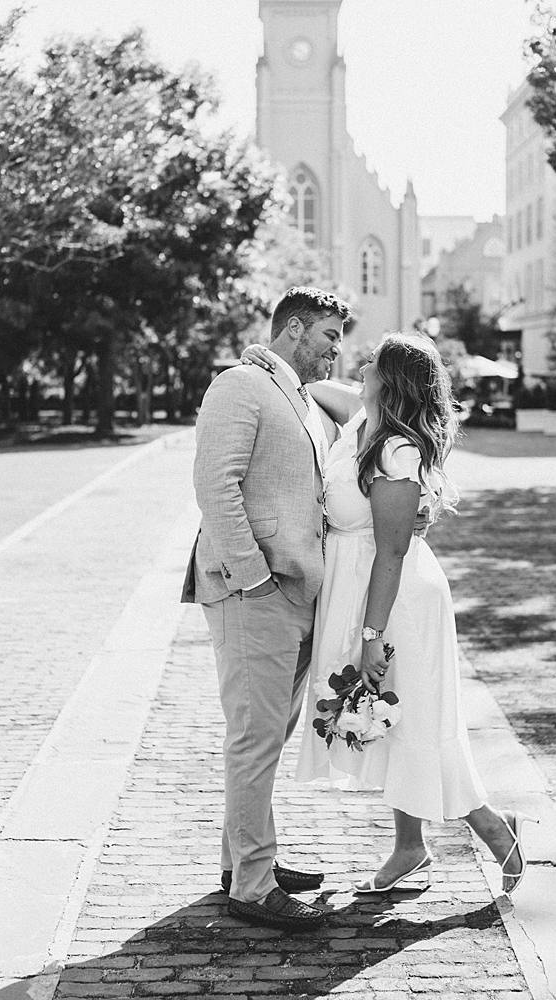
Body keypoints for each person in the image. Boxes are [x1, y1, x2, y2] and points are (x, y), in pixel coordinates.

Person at [241, 332, 537, 896]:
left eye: (374, 359)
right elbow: (311, 384)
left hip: (395, 597)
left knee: (418, 719)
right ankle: (410, 846)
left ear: (392, 378)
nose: (362, 362)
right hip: (358, 588)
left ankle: (495, 830)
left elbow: (394, 551)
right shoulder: (362, 419)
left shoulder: (397, 450)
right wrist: (266, 357)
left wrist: (372, 634)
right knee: (388, 719)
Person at [181, 286, 351, 930]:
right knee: (255, 736)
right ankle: (252, 886)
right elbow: (213, 486)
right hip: (254, 589)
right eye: (330, 336)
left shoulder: (302, 398)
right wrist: (253, 579)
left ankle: (243, 862)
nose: (338, 348)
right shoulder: (239, 386)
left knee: (269, 734)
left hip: (296, 589)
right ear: (296, 328)